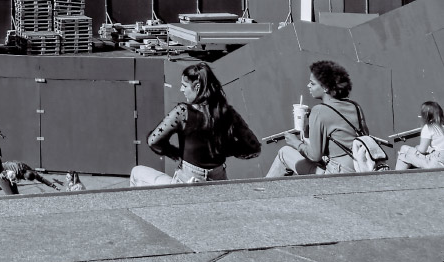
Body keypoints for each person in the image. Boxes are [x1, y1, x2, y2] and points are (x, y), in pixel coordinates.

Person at [130, 62, 261, 186]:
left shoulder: (183, 112)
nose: (182, 89)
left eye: (185, 85)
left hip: (186, 182)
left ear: (197, 87)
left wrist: (174, 152)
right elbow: (254, 148)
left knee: (137, 172)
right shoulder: (228, 112)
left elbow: (153, 141)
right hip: (218, 181)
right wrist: (222, 150)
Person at [267, 60, 368, 176]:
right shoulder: (355, 106)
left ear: (325, 87)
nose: (308, 86)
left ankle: (262, 192)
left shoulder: (319, 111)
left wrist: (295, 142)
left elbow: (315, 156)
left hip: (336, 173)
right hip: (360, 168)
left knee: (283, 153)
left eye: (312, 83)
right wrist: (307, 129)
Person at [396, 101, 444, 170]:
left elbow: (422, 150)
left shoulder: (428, 127)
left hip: (435, 162)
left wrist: (416, 147)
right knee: (406, 150)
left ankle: (397, 176)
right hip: (441, 160)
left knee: (404, 152)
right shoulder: (442, 127)